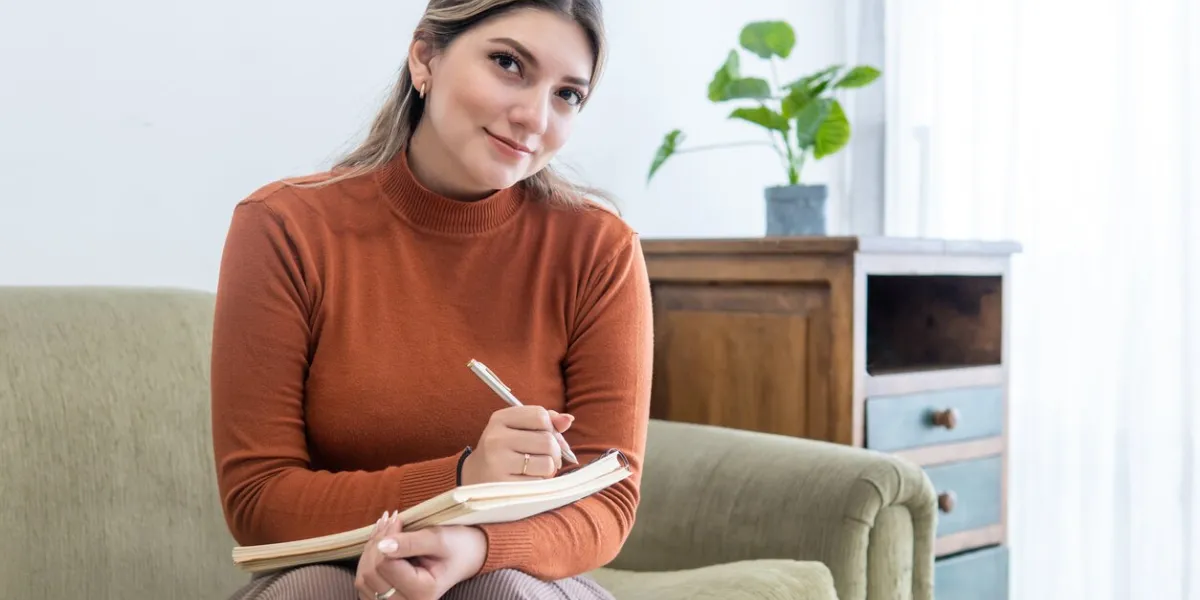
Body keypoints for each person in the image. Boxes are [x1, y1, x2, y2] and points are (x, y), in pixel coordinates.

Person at [210, 1, 651, 598]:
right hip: (326, 565)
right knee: (312, 590)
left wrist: (474, 546)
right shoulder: (285, 228)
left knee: (497, 593)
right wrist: (462, 478)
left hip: (513, 571)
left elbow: (608, 499)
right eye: (508, 63)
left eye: (567, 95)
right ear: (425, 57)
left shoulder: (599, 250)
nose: (533, 117)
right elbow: (258, 502)